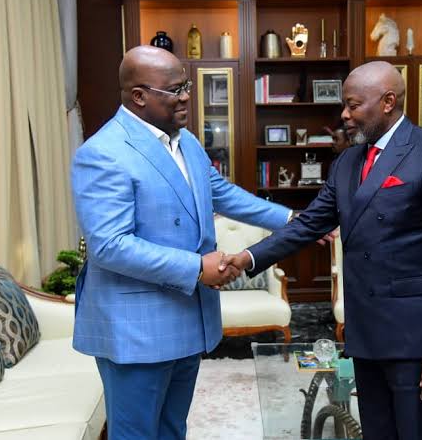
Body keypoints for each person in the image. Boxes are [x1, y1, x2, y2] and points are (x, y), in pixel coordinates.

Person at [224, 61, 422, 439]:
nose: (344, 114)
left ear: (388, 102)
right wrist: (248, 258)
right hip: (365, 332)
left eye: (353, 105)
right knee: (376, 432)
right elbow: (310, 223)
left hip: (415, 337)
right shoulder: (347, 162)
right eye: (345, 105)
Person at [70, 45, 292, 440]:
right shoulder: (102, 153)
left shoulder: (185, 141)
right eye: (175, 90)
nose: (187, 96)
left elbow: (221, 192)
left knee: (173, 429)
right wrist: (196, 268)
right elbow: (110, 245)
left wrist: (292, 220)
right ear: (139, 96)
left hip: (188, 317)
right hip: (137, 328)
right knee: (137, 434)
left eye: (186, 86)